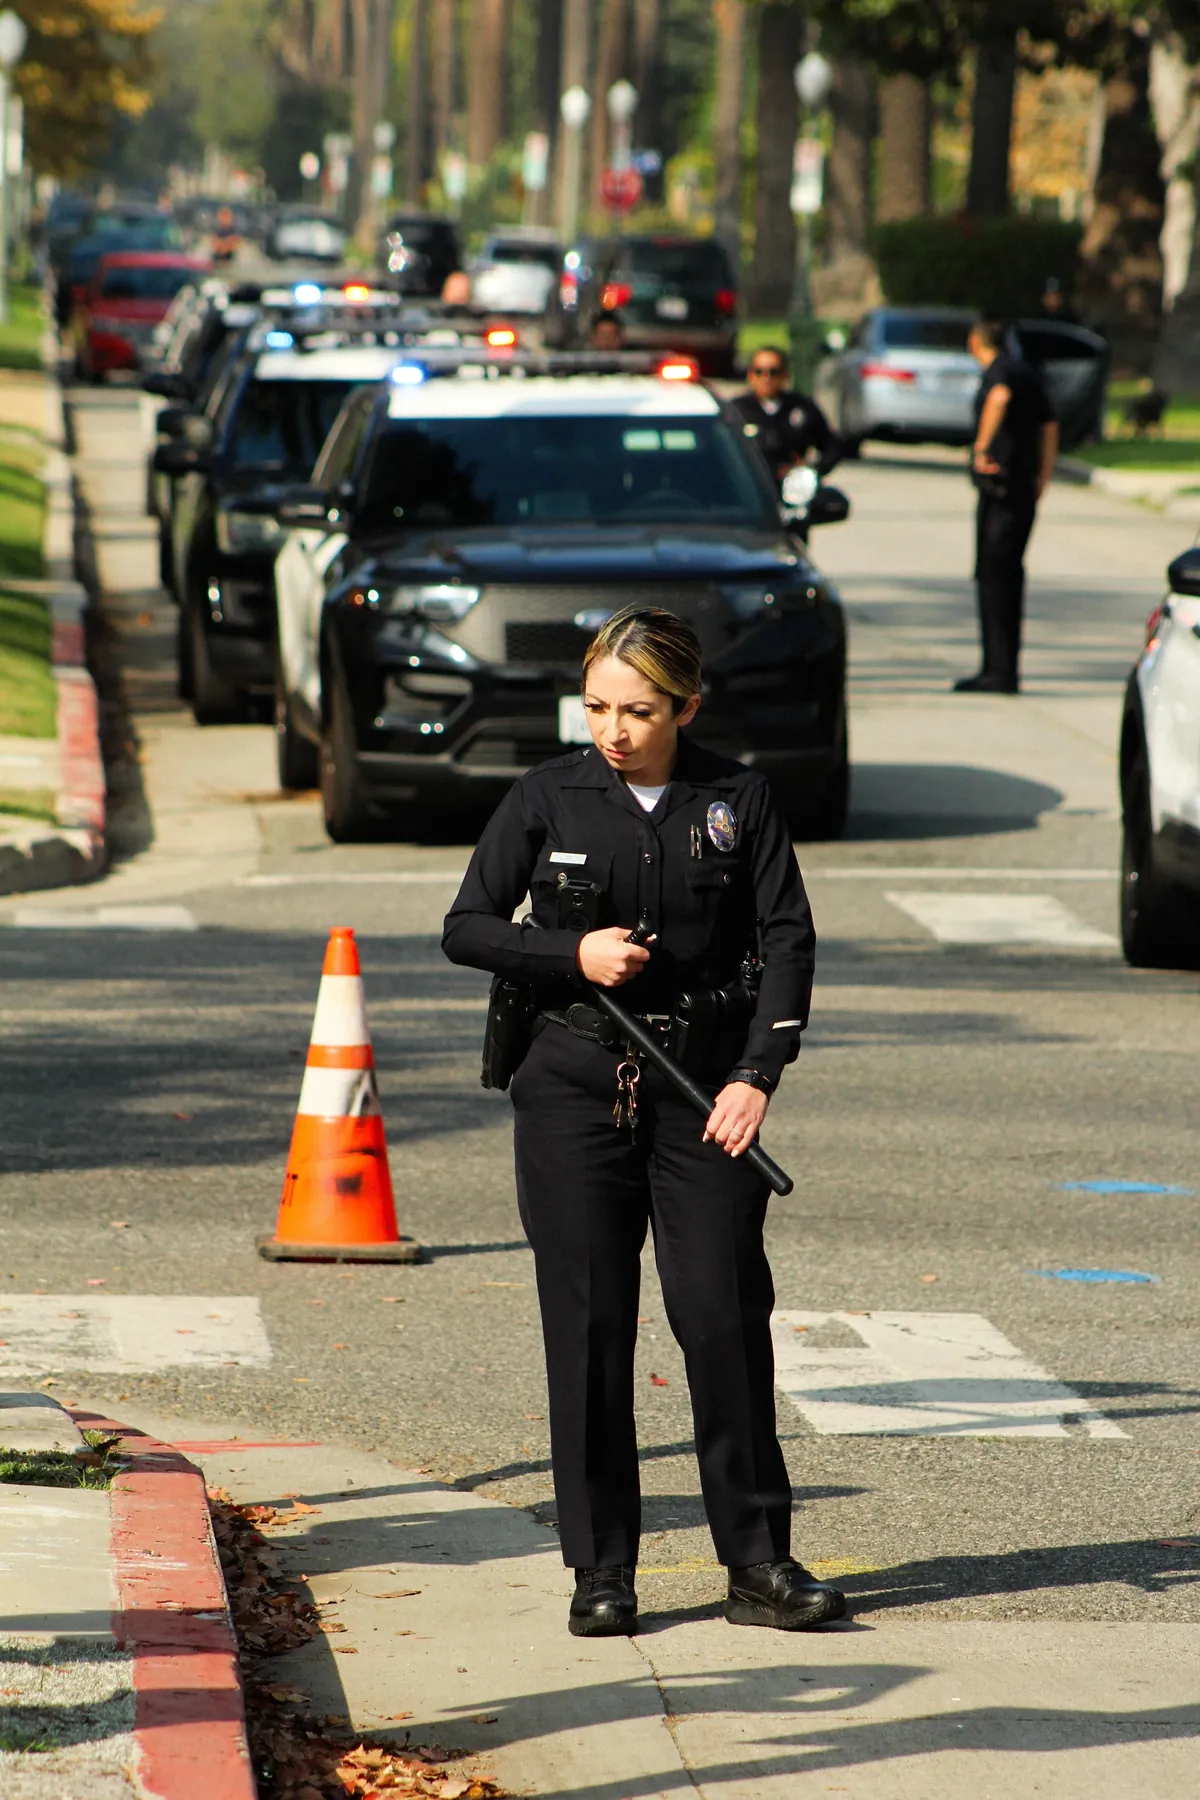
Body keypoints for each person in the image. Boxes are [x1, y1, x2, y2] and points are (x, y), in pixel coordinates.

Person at [442, 608, 847, 1640]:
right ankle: (602, 1569)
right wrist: (569, 956)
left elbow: (788, 942)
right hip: (574, 1085)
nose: (614, 730)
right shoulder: (548, 796)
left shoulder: (738, 798)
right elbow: (467, 926)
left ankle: (757, 1563)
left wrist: (758, 1074)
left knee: (722, 1317)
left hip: (705, 1088)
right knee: (589, 1327)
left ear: (686, 708)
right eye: (597, 708)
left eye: (638, 711)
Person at [956, 314, 1059, 695]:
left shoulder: (999, 372)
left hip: (1001, 489)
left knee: (993, 576)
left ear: (975, 341)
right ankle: (1004, 668)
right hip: (1023, 488)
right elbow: (1050, 424)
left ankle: (996, 671)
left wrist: (981, 447)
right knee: (1010, 576)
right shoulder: (1025, 371)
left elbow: (999, 398)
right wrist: (1043, 476)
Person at [731, 346, 841, 485]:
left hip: (793, 487)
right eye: (759, 372)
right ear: (750, 375)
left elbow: (832, 447)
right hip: (749, 487)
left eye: (773, 372)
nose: (766, 378)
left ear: (785, 375)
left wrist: (811, 471)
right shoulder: (737, 410)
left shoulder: (801, 407)